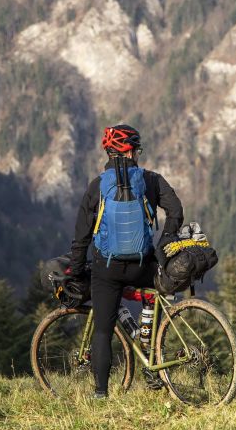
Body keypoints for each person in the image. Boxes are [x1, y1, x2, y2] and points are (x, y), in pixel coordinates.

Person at [67, 124, 184, 399]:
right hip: (142, 265)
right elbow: (176, 210)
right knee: (155, 296)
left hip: (106, 268)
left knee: (103, 331)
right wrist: (164, 243)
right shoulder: (152, 179)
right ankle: (151, 360)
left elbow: (82, 233)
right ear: (131, 151)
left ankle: (100, 393)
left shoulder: (97, 185)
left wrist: (76, 266)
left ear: (109, 152)